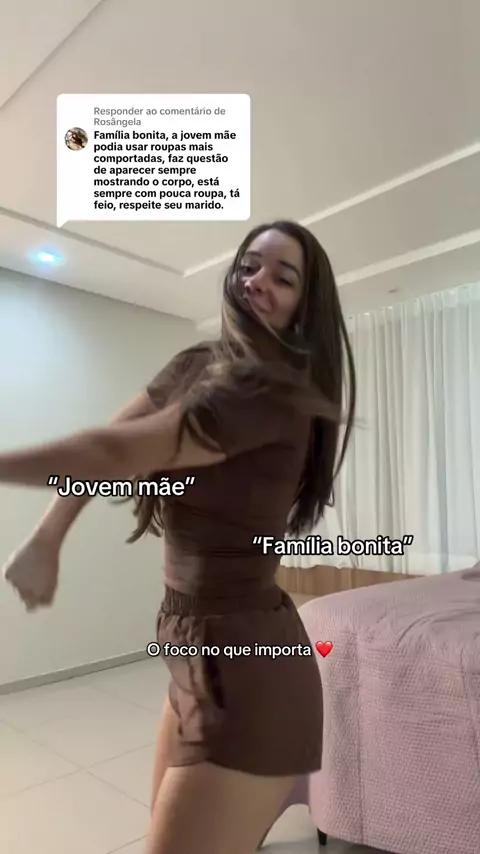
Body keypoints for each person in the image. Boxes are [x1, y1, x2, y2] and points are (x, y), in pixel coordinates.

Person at [1, 221, 356, 854]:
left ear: (305, 308)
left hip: (247, 666)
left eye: (283, 278)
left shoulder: (269, 393)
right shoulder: (198, 365)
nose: (258, 282)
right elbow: (115, 442)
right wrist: (49, 536)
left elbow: (112, 452)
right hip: (193, 646)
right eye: (249, 265)